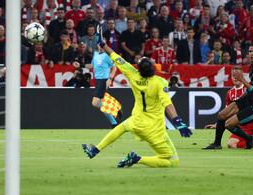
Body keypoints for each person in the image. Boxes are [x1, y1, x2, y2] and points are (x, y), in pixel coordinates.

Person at [81, 25, 192, 168]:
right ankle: (137, 159)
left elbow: (115, 57)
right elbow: (167, 103)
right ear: (152, 69)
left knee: (120, 128)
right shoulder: (160, 82)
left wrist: (102, 44)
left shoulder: (133, 74)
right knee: (172, 161)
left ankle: (95, 149)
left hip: (136, 121)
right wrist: (178, 122)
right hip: (154, 129)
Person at [204, 42, 253, 149]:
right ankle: (217, 144)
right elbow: (252, 88)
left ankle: (250, 139)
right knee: (221, 115)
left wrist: (242, 80)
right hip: (247, 99)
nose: (251, 54)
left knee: (228, 124)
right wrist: (241, 98)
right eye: (250, 51)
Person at [90, 44, 119, 127]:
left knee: (95, 103)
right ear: (97, 46)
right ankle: (114, 122)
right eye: (99, 45)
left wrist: (110, 79)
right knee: (102, 104)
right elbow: (92, 66)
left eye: (103, 45)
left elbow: (114, 68)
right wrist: (81, 65)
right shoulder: (95, 54)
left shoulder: (107, 56)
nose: (101, 46)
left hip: (104, 80)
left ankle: (114, 111)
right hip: (97, 80)